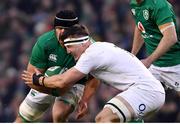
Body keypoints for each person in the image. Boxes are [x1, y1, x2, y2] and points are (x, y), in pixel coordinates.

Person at [22, 25, 165, 122]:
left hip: (146, 91)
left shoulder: (90, 55)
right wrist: (85, 99)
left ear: (81, 43)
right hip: (147, 91)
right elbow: (94, 79)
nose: (67, 51)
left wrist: (38, 80)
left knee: (103, 119)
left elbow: (63, 81)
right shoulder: (100, 48)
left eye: (69, 46)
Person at [15, 10, 92, 122]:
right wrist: (54, 89)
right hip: (46, 81)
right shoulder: (44, 42)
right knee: (24, 117)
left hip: (75, 83)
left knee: (58, 114)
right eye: (59, 28)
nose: (61, 32)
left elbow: (94, 78)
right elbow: (31, 77)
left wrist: (85, 99)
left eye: (66, 29)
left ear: (75, 30)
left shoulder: (88, 46)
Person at [130, 0, 180, 92]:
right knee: (139, 95)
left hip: (175, 65)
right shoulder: (134, 3)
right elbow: (140, 26)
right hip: (154, 67)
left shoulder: (159, 4)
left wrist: (148, 61)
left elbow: (171, 38)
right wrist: (132, 54)